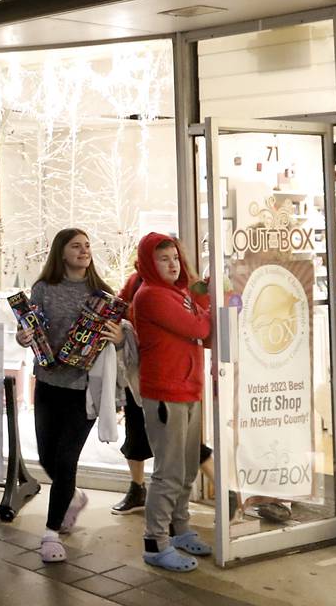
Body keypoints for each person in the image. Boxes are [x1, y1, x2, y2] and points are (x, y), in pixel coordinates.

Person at [14, 228, 124, 565]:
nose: (84, 251)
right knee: (47, 457)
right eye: (76, 246)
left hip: (84, 391)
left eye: (88, 246)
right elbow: (32, 329)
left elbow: (120, 346)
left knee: (65, 460)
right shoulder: (43, 289)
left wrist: (119, 338)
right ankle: (73, 498)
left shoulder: (102, 294)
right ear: (61, 253)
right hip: (48, 383)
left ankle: (50, 533)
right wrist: (23, 337)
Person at [129, 232, 213, 572]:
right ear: (150, 262)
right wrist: (204, 305)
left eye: (175, 257)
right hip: (165, 394)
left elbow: (201, 332)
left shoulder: (179, 294)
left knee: (188, 468)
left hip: (189, 391)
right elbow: (201, 328)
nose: (173, 264)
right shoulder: (151, 296)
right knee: (169, 473)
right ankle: (155, 542)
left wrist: (200, 297)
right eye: (164, 259)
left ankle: (179, 529)